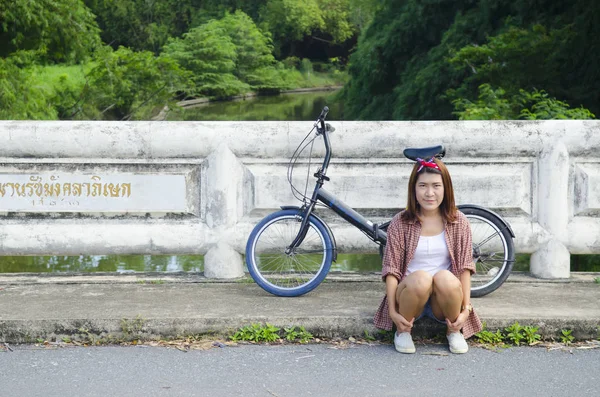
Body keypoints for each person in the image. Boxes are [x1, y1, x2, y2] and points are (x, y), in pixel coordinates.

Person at [373, 156, 482, 354]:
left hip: (444, 300)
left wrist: (466, 309)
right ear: (413, 189)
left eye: (436, 186)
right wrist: (392, 311)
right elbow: (391, 270)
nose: (429, 193)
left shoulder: (459, 222)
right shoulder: (400, 222)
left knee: (445, 278)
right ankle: (403, 331)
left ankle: (453, 331)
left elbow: (466, 267)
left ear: (446, 189)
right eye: (422, 185)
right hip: (411, 296)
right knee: (422, 278)